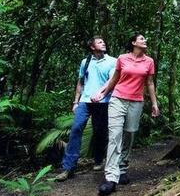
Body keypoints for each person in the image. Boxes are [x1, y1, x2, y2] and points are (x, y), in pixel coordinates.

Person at [92, 33, 160, 195]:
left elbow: (149, 83)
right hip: (117, 100)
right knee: (115, 136)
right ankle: (111, 178)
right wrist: (103, 93)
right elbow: (114, 80)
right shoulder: (122, 58)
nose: (145, 41)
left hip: (136, 102)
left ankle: (122, 168)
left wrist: (155, 104)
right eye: (142, 39)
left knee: (129, 135)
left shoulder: (149, 61)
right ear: (133, 42)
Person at [55, 36, 117, 181]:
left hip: (103, 102)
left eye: (103, 41)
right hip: (84, 101)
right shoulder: (86, 61)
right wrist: (76, 101)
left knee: (99, 132)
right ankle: (68, 168)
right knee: (76, 129)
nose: (104, 43)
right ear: (92, 47)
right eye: (100, 42)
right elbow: (81, 82)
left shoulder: (112, 61)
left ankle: (98, 159)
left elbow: (111, 81)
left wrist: (101, 94)